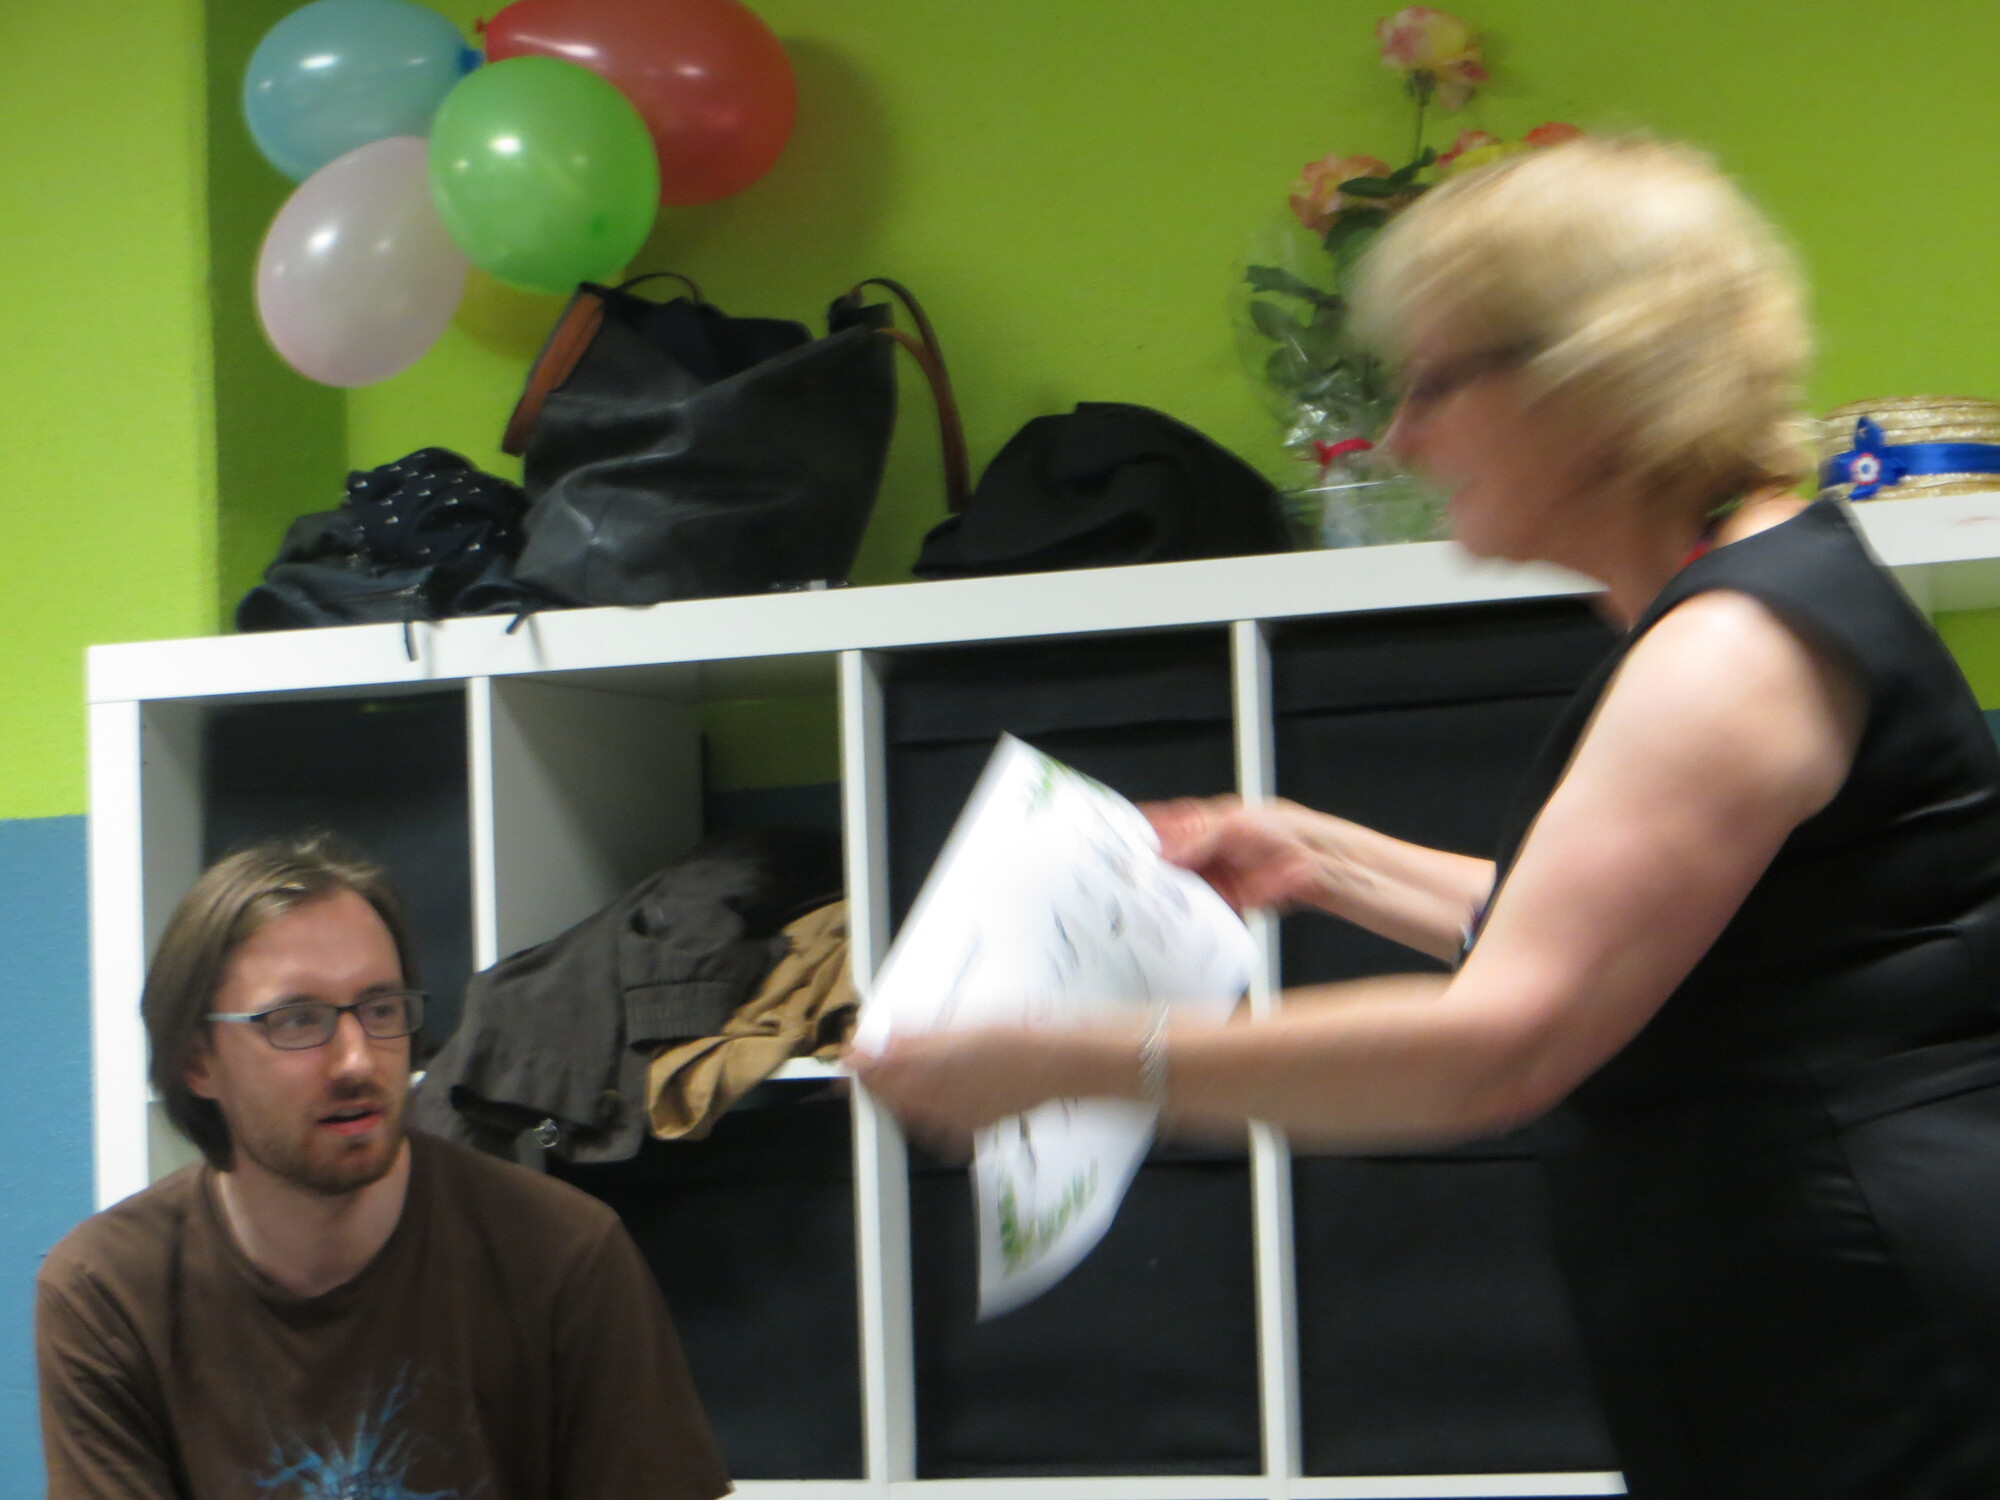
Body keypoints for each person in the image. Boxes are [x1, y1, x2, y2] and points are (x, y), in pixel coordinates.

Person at [852, 137, 2000, 1496]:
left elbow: (1497, 1049)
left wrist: (1078, 1062)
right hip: (1813, 1303)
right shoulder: (1746, 599)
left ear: (1590, 371)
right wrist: (1319, 856)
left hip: (1876, 1330)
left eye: (1434, 383)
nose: (1399, 436)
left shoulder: (1728, 654)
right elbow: (1645, 946)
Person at [37, 834, 732, 1500]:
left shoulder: (564, 1255)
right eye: (298, 1020)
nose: (357, 1060)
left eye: (381, 1009)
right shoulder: (109, 1295)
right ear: (198, 1062)